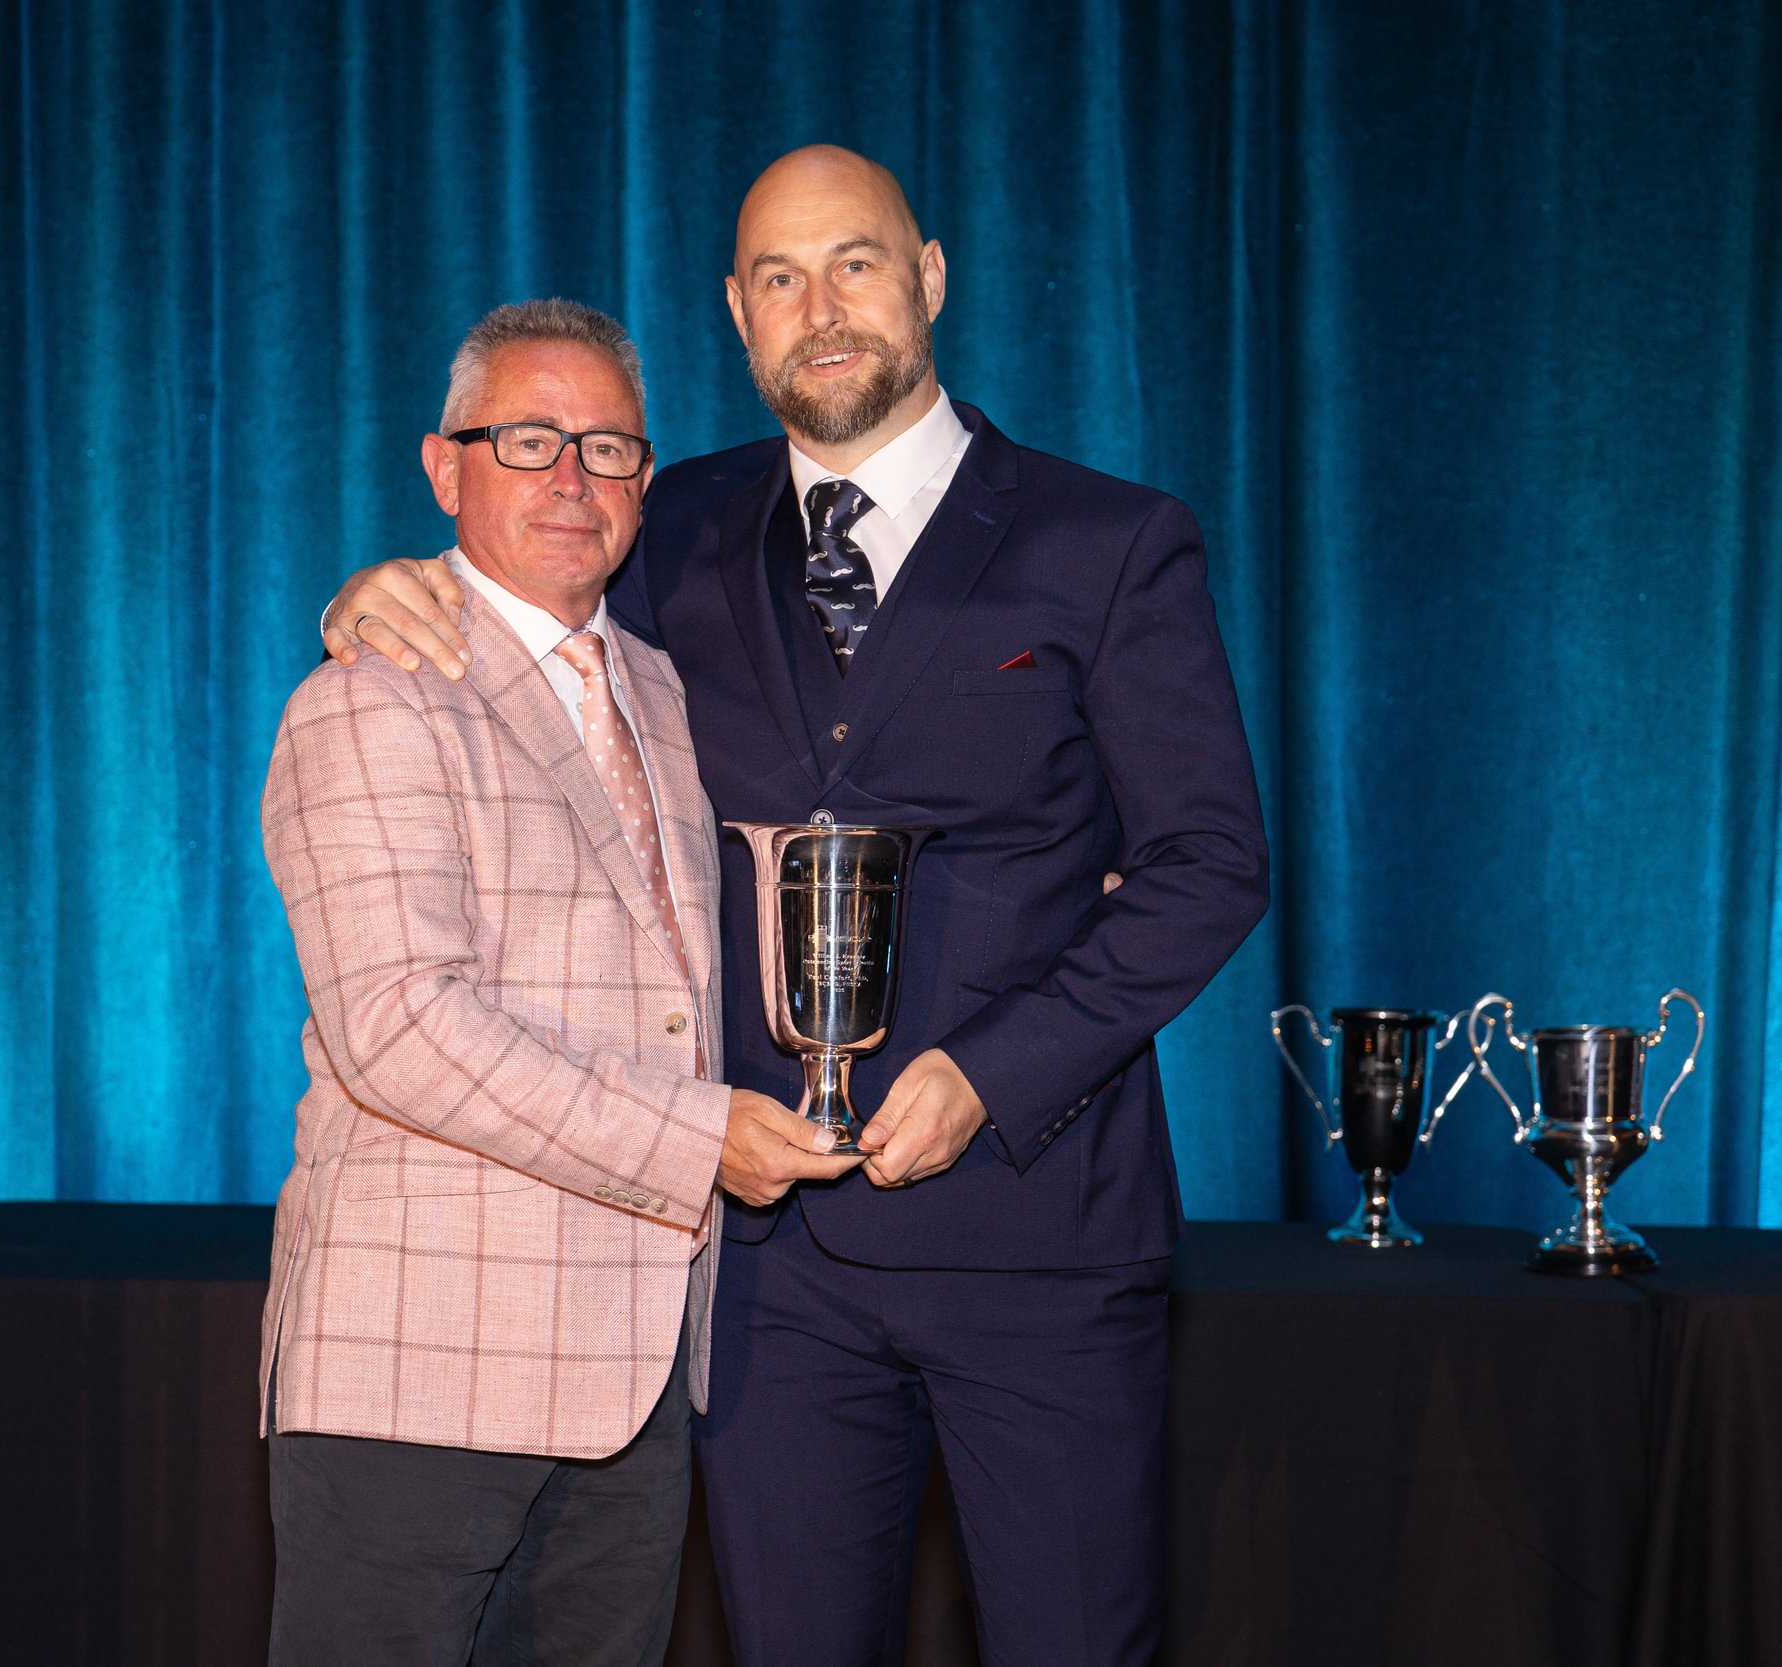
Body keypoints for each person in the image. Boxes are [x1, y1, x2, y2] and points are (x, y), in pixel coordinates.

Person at [321, 149, 1269, 1667]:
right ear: (736, 317)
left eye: (855, 263)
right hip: (764, 1272)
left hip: (1038, 1241)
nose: (819, 309)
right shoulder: (668, 525)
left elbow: (1210, 864)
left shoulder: (1107, 543)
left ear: (933, 276)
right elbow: (516, 615)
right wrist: (375, 593)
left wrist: (992, 1072)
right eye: (777, 277)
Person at [257, 297, 853, 1667]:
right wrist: (699, 1140)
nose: (573, 481)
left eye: (607, 447)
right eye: (529, 442)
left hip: (638, 1388)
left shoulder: (669, 692)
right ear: (442, 465)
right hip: (417, 1376)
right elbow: (402, 1031)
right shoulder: (372, 695)